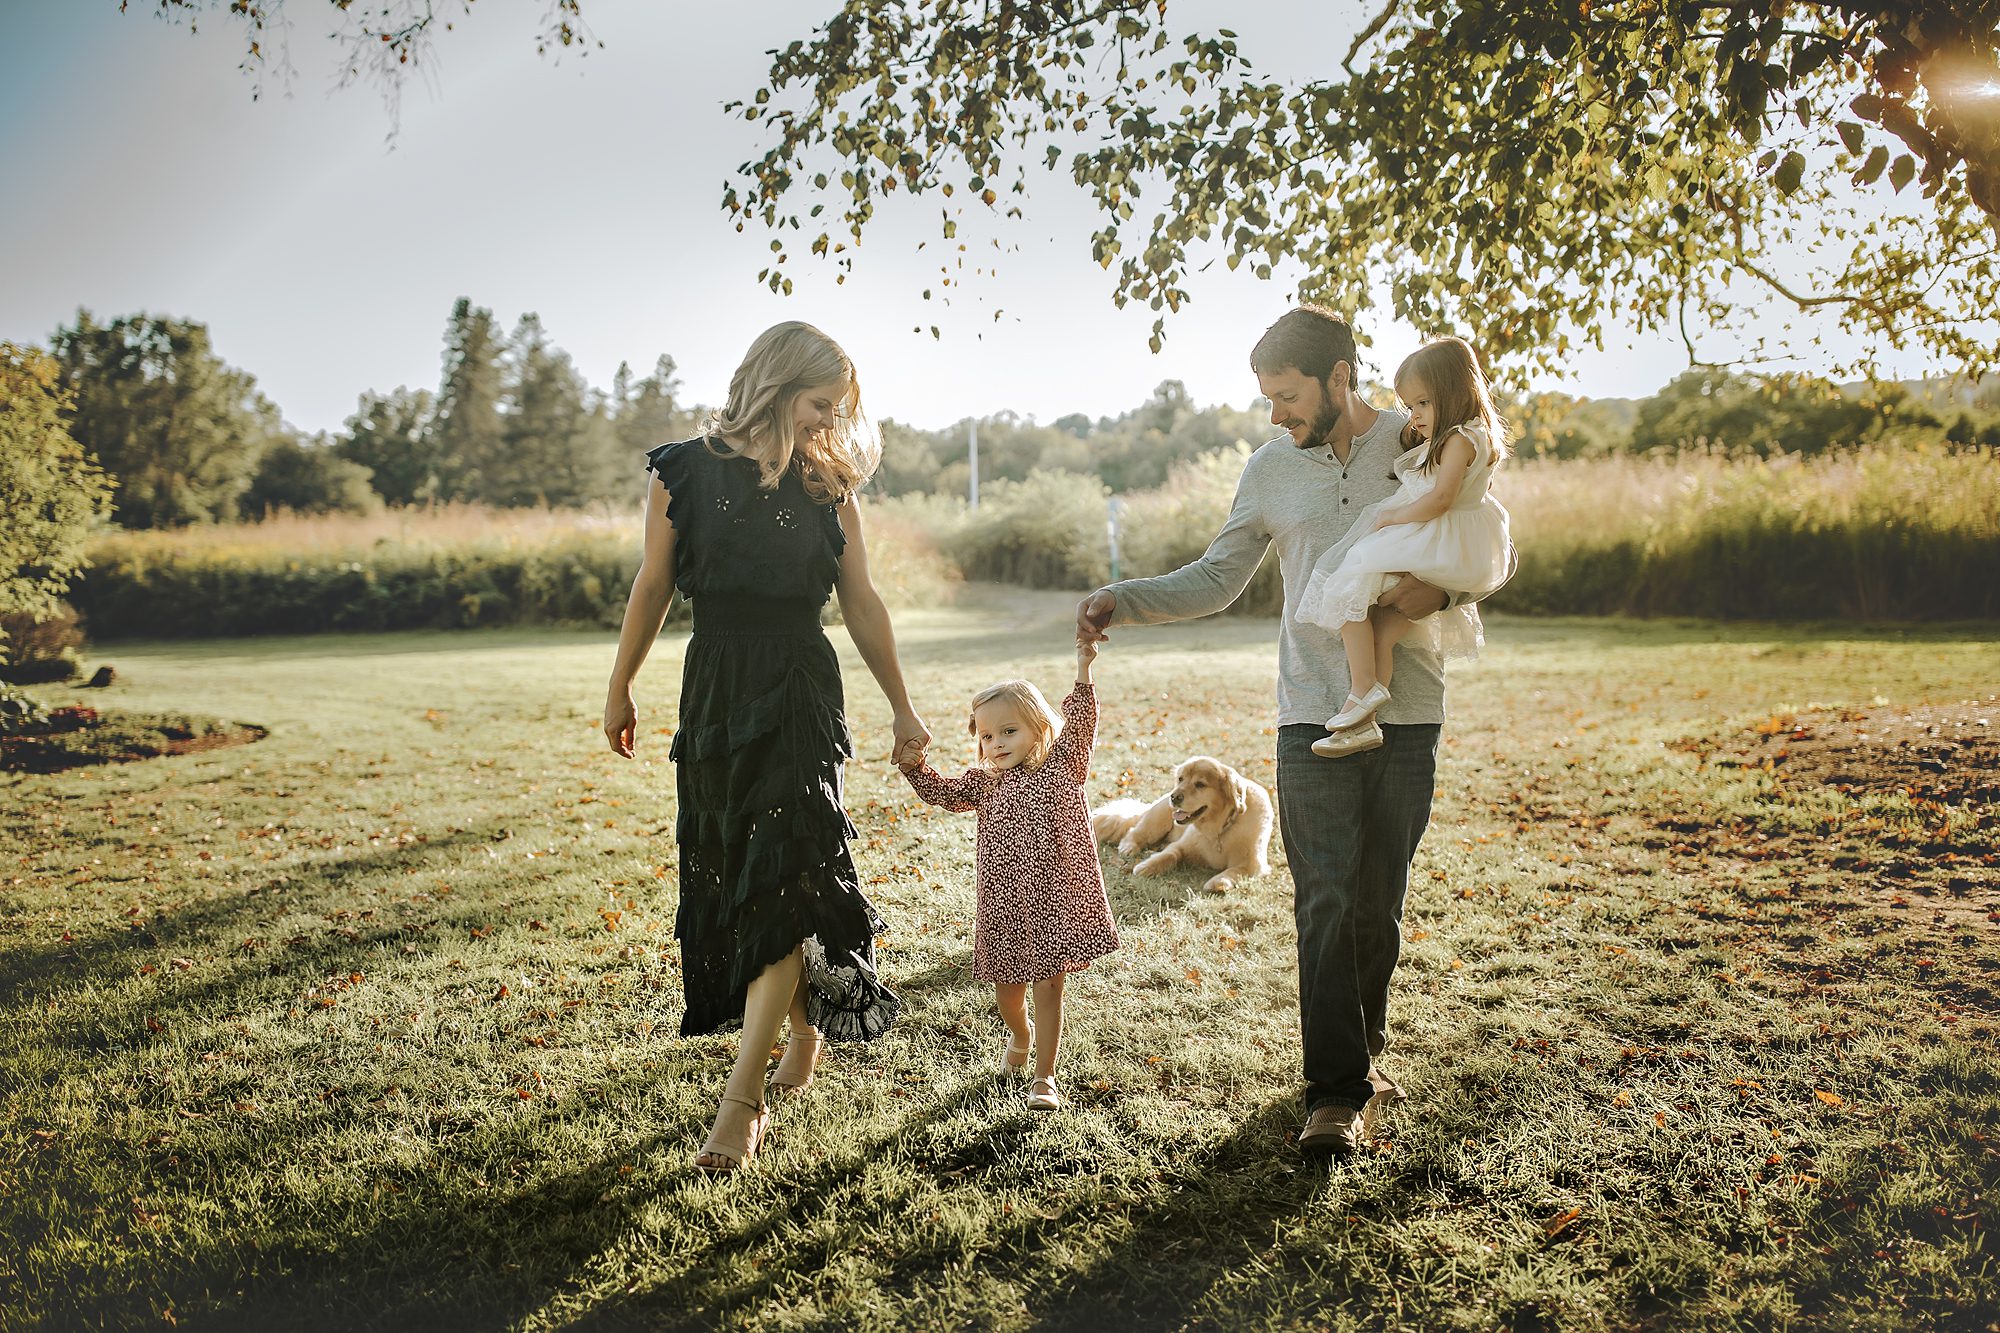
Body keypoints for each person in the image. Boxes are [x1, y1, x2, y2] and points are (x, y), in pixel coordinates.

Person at [1075, 306, 1513, 1160]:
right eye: (1267, 397)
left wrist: (1450, 597)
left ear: (1340, 376)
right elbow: (1216, 578)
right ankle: (1336, 1091)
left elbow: (1484, 537)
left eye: (1286, 394)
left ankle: (1362, 1054)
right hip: (1310, 710)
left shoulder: (1415, 436)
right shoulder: (1269, 469)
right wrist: (1123, 599)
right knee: (1325, 899)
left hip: (1409, 708)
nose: (1275, 412)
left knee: (1378, 904)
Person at [602, 320, 930, 1172]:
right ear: (778, 386)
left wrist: (903, 708)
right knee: (745, 871)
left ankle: (740, 1103)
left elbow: (861, 603)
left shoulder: (831, 485)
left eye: (838, 408)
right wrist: (619, 682)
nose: (830, 421)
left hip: (796, 690)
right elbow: (655, 582)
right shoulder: (682, 469)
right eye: (821, 403)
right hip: (714, 687)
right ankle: (798, 1032)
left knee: (785, 875)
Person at [896, 640, 1119, 1112]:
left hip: (1058, 901)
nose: (995, 745)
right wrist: (915, 766)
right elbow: (943, 792)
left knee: (1049, 984)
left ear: (1039, 728)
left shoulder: (1063, 766)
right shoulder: (983, 781)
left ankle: (1045, 1075)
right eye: (986, 737)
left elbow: (1080, 723)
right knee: (1008, 998)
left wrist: (1083, 669)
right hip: (1005, 904)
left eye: (1008, 732)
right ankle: (1021, 1036)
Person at [1294, 336, 1512, 754]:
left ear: (1454, 392)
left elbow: (1441, 498)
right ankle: (1363, 722)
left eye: (1423, 404)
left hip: (1437, 541)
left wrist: (1390, 516)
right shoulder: (1472, 436)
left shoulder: (1461, 438)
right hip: (1450, 544)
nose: (1414, 417)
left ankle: (1362, 690)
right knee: (1380, 630)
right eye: (1410, 407)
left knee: (1348, 588)